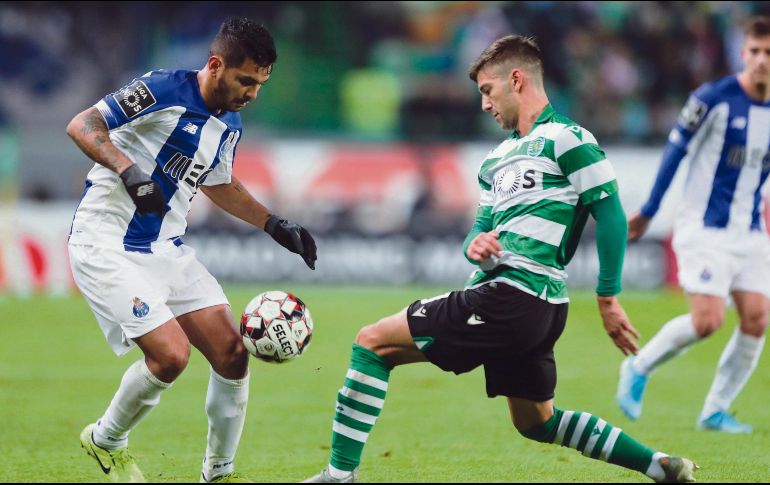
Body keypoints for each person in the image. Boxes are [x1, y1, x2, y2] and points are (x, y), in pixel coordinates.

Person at [303, 35, 697, 484]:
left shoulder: (567, 138)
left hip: (516, 295)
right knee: (537, 422)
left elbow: (608, 212)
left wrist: (608, 297)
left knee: (372, 343)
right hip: (530, 305)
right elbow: (480, 229)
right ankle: (659, 466)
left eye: (488, 91)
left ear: (517, 80)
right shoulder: (496, 160)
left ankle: (339, 475)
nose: (485, 105)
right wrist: (475, 246)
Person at [67, 18, 317, 483]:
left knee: (231, 354)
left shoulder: (230, 123)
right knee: (170, 356)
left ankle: (219, 474)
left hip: (165, 247)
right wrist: (127, 172)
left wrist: (274, 224)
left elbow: (218, 183)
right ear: (216, 65)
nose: (252, 93)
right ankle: (106, 440)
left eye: (260, 84)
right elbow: (83, 124)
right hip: (105, 241)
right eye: (246, 80)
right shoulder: (161, 88)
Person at [616, 16, 770, 434]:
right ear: (743, 53)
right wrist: (648, 211)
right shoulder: (712, 99)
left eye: (768, 54)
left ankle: (715, 410)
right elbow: (675, 151)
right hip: (704, 230)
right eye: (755, 51)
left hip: (751, 232)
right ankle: (638, 366)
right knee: (708, 321)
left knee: (757, 317)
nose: (761, 61)